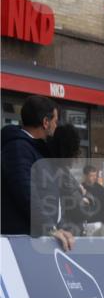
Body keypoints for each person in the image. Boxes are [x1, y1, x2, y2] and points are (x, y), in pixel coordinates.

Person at [0, 96, 72, 249]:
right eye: (55, 120)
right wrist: (49, 228)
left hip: (39, 240)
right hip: (22, 243)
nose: (56, 125)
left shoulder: (36, 149)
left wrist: (58, 226)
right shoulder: (18, 147)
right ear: (46, 122)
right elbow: (25, 191)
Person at [81, 165, 104, 231]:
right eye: (91, 176)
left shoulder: (100, 189)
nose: (94, 178)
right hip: (83, 223)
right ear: (85, 176)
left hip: (97, 223)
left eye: (95, 175)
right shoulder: (80, 188)